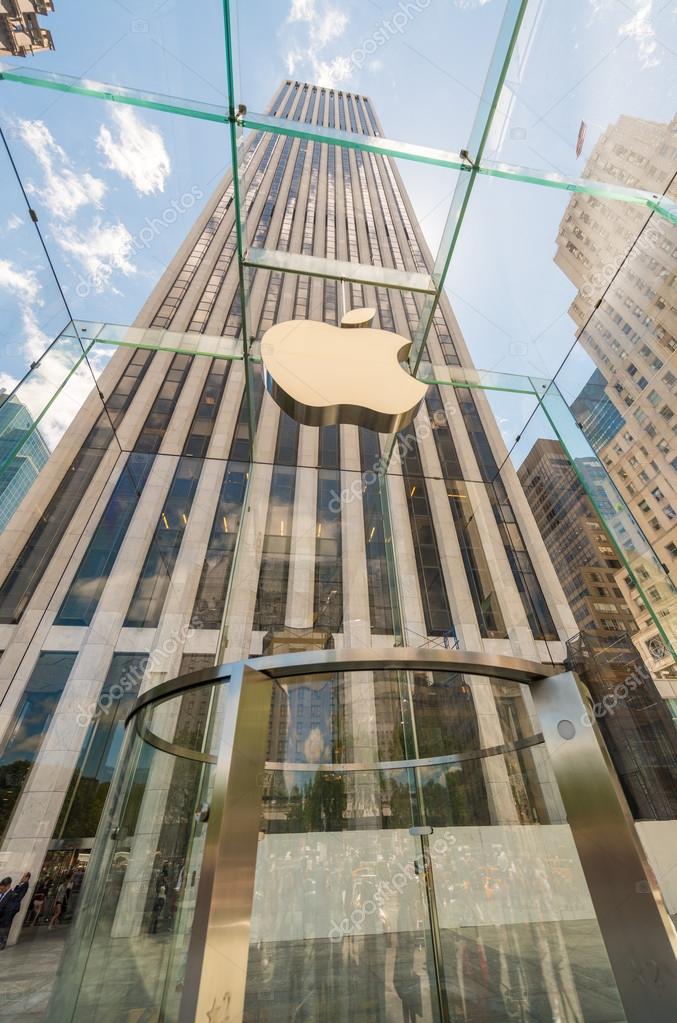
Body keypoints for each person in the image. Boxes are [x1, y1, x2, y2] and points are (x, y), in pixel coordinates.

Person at [0, 877, 14, 950]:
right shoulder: (2, 893)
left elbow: (8, 910)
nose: (0, 890)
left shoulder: (12, 895)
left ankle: (1, 944)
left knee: (2, 933)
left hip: (4, 919)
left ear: (8, 886)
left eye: (2, 889)